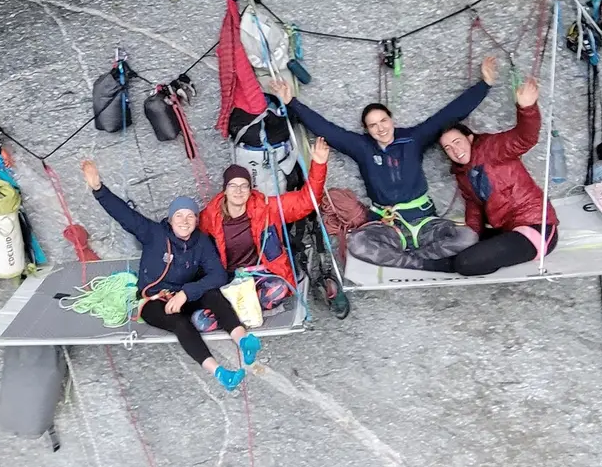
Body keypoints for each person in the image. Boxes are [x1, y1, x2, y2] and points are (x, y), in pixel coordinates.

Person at [277, 57, 500, 270]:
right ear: (367, 129)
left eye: (383, 120)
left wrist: (484, 85)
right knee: (357, 243)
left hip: (425, 222)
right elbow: (327, 130)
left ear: (391, 119)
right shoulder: (361, 147)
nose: (381, 128)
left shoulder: (413, 139)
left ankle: (409, 261)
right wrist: (292, 103)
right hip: (389, 226)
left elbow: (448, 114)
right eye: (373, 125)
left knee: (467, 237)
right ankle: (426, 264)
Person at [79, 160, 261, 390]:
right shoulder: (154, 233)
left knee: (213, 295)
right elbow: (124, 215)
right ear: (171, 219)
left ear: (196, 221)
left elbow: (218, 276)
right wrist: (98, 189)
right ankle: (220, 373)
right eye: (179, 216)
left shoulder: (201, 242)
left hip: (184, 295)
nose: (184, 221)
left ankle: (243, 341)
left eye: (190, 216)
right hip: (154, 301)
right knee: (179, 323)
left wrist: (186, 293)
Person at [195, 138, 332, 327]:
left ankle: (232, 312)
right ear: (225, 190)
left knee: (278, 290)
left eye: (244, 185)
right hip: (229, 279)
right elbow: (187, 235)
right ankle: (242, 309)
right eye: (233, 186)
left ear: (250, 189)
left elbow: (306, 202)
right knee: (199, 321)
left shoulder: (266, 207)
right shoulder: (210, 216)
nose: (238, 191)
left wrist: (319, 164)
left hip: (262, 276)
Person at [436, 77, 560, 275]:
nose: (455, 150)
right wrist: (472, 233)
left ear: (470, 138)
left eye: (457, 142)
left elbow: (525, 137)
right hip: (507, 230)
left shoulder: (492, 147)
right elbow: (474, 206)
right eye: (448, 148)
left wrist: (527, 108)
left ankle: (431, 265)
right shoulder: (462, 173)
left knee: (464, 263)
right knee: (452, 239)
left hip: (537, 228)